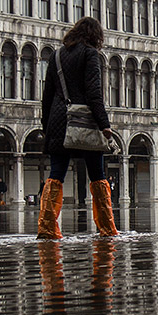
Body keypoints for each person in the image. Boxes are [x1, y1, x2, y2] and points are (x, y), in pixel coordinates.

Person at [38, 17, 117, 238]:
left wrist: (46, 125)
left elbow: (47, 95)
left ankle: (47, 228)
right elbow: (94, 92)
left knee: (56, 174)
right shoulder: (90, 54)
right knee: (97, 175)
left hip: (59, 120)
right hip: (84, 121)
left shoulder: (56, 56)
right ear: (95, 35)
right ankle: (106, 228)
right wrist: (104, 124)